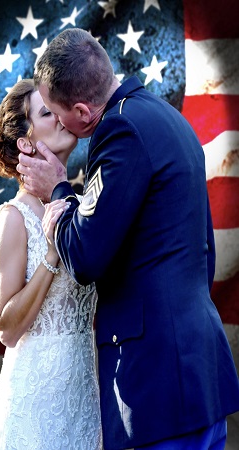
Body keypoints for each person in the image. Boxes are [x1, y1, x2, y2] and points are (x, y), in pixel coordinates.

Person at [16, 28, 239, 450]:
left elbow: (85, 257)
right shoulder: (164, 114)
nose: (58, 121)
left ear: (82, 111)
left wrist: (59, 192)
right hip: (194, 370)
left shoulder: (120, 131)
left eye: (57, 112)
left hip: (158, 386)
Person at [0, 78, 102, 450]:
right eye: (48, 112)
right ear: (25, 142)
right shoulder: (14, 219)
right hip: (33, 407)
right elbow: (6, 329)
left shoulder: (83, 205)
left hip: (86, 402)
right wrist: (51, 257)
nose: (62, 116)